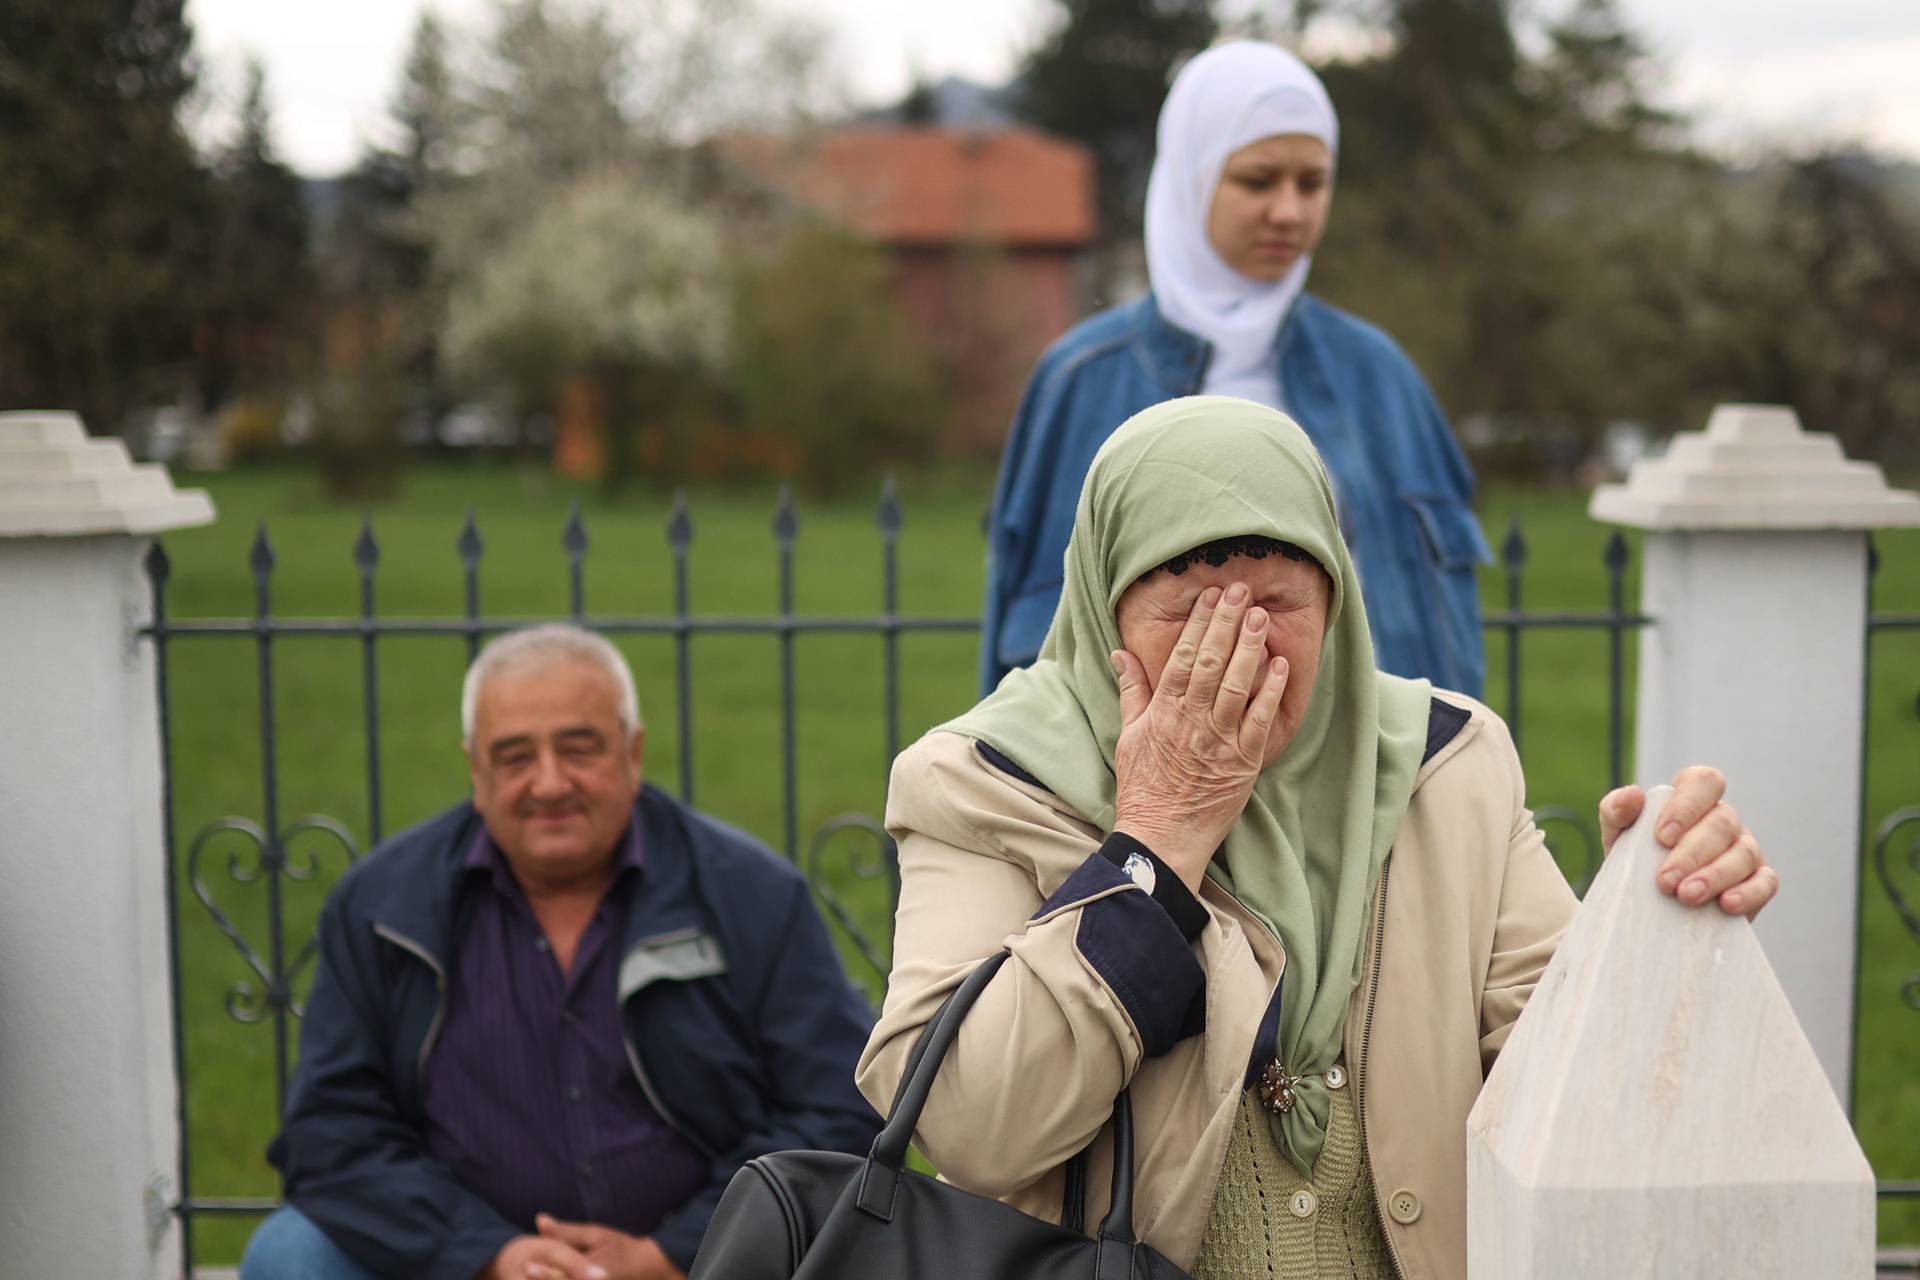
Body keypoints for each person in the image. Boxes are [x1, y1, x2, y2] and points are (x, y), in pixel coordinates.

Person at [860, 398, 1779, 1280]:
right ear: (1104, 610)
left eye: (1280, 601)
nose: (1243, 646)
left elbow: (1585, 1110)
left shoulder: (1443, 766)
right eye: (1191, 610)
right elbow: (973, 1130)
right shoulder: (981, 782)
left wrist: (1652, 919)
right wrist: (1158, 841)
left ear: (1337, 607)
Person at [242, 625, 880, 1280]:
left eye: (579, 750)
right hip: (463, 1266)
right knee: (289, 1254)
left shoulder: (751, 895)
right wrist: (490, 1255)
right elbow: (330, 1133)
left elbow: (841, 1105)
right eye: (514, 757)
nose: (548, 784)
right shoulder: (382, 909)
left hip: (708, 1266)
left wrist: (674, 1253)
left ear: (634, 753)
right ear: (475, 770)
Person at [981, 41, 1490, 699]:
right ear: (1192, 175)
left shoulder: (1380, 376)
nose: (1290, 211)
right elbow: (1018, 656)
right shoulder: (1079, 380)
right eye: (1258, 179)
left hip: (1367, 785)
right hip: (1128, 788)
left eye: (1313, 183)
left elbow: (1447, 643)